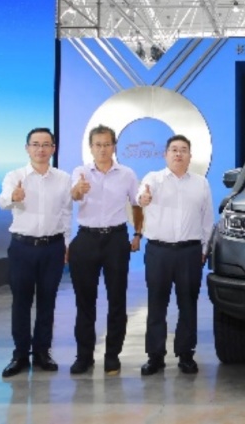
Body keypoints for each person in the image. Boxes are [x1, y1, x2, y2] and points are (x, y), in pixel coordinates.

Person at [68, 125, 143, 376]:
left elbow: (137, 205)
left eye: (107, 144)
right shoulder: (80, 172)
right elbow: (74, 195)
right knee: (85, 302)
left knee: (117, 300)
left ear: (114, 147)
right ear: (91, 147)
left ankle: (112, 356)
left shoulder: (127, 174)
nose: (102, 149)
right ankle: (84, 356)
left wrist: (138, 233)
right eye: (98, 145)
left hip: (116, 240)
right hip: (86, 239)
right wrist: (78, 190)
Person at [0, 128, 72, 378]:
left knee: (47, 302)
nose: (41, 149)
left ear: (53, 149)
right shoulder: (15, 176)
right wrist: (13, 196)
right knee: (21, 302)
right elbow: (1, 200)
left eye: (46, 144)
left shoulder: (63, 178)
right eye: (36, 144)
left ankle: (42, 352)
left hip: (53, 247)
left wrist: (67, 244)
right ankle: (19, 355)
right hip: (22, 248)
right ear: (27, 148)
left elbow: (66, 213)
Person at [136, 134, 213, 376]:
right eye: (174, 149)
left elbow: (207, 219)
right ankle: (155, 356)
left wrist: (204, 249)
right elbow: (141, 196)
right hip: (159, 251)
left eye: (183, 150)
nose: (178, 154)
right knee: (156, 305)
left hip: (190, 252)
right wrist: (143, 198)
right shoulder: (153, 179)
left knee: (188, 305)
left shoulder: (201, 183)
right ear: (165, 154)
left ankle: (186, 354)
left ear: (190, 156)